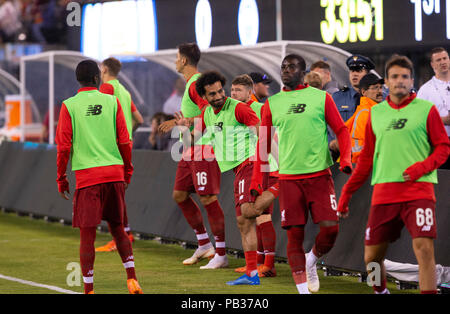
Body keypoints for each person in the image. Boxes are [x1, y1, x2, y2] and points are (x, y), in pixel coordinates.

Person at [337, 55, 450, 294]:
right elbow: (366, 160)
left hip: (419, 192)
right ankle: (380, 291)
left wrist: (421, 168)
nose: (400, 81)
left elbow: (443, 148)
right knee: (371, 257)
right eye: (395, 76)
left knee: (424, 250)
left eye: (405, 76)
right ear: (387, 80)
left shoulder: (426, 110)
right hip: (384, 194)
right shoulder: (376, 114)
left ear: (411, 81)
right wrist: (346, 192)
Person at [250, 54, 353, 294]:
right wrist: (258, 181)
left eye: (292, 66)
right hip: (288, 179)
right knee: (294, 236)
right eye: (283, 66)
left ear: (303, 70)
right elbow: (262, 145)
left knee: (330, 229)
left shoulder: (321, 97)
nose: (286, 70)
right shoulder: (272, 104)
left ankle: (311, 260)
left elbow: (342, 130)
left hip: (319, 175)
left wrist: (346, 158)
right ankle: (302, 291)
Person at [175, 70, 279, 285]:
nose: (219, 96)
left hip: (250, 163)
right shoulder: (207, 114)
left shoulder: (239, 108)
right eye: (212, 94)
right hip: (238, 168)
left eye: (220, 91)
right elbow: (192, 141)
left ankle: (281, 186)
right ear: (205, 98)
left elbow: (264, 133)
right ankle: (251, 274)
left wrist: (276, 164)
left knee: (247, 215)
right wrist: (185, 129)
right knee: (244, 220)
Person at [55, 60, 143, 294]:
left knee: (87, 234)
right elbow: (124, 140)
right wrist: (128, 169)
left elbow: (63, 147)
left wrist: (61, 177)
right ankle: (131, 278)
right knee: (118, 228)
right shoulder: (111, 101)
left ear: (78, 80)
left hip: (87, 178)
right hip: (114, 174)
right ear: (96, 78)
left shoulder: (69, 105)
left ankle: (89, 289)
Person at [158, 43, 227, 269]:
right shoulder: (190, 84)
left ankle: (221, 252)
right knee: (179, 195)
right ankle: (204, 244)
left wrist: (191, 127)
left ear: (184, 61)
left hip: (203, 149)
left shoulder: (195, 85)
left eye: (177, 57)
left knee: (208, 198)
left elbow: (210, 111)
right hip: (189, 149)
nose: (176, 61)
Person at [230, 74, 279, 278]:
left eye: (238, 90)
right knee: (258, 217)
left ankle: (267, 264)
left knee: (260, 215)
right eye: (231, 91)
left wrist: (278, 164)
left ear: (249, 92)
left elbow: (271, 136)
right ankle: (260, 262)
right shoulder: (238, 110)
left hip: (266, 167)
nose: (233, 94)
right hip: (257, 166)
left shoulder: (257, 108)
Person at [95, 57, 144, 252]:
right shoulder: (124, 91)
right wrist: (127, 134)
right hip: (125, 145)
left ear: (105, 69)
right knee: (117, 192)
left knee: (111, 194)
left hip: (112, 147)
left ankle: (119, 237)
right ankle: (126, 232)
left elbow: (100, 117)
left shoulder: (107, 88)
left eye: (100, 69)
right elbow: (139, 119)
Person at [329, 73, 384, 163]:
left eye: (380, 87)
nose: (380, 91)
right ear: (363, 92)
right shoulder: (365, 114)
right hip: (359, 166)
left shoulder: (370, 112)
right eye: (375, 88)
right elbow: (358, 149)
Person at [417, 47, 450, 169]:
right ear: (432, 64)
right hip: (438, 144)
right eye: (438, 60)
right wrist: (442, 120)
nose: (443, 62)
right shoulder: (425, 90)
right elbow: (418, 120)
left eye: (445, 58)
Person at [332, 55, 375, 122]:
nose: (354, 74)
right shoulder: (337, 97)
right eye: (352, 71)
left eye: (359, 71)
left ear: (367, 74)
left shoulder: (377, 97)